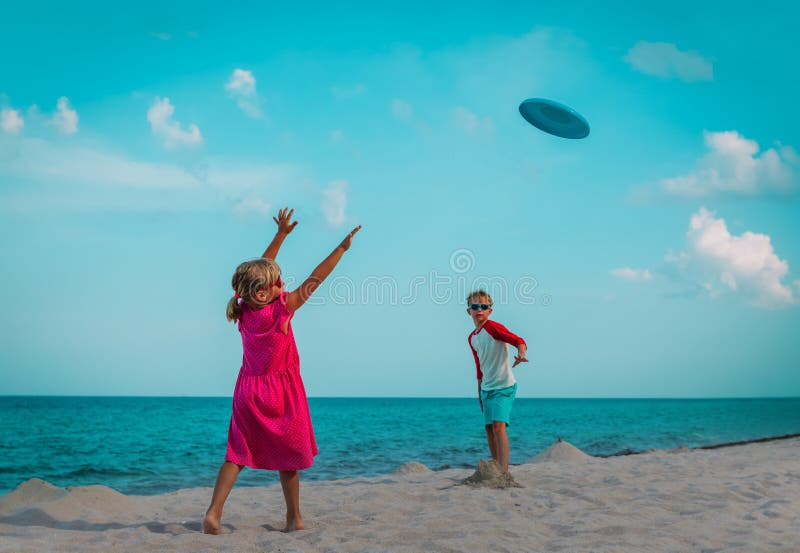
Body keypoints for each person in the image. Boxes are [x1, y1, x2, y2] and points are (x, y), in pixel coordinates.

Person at [203, 207, 361, 534]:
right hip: (281, 394)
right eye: (277, 284)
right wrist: (341, 249)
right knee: (289, 458)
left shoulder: (245, 308)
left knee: (236, 454)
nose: (282, 285)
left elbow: (257, 273)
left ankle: (214, 513)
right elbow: (316, 278)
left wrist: (281, 235)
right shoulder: (281, 310)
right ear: (264, 292)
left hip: (247, 392)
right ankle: (294, 518)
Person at [466, 290, 528, 474]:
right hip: (486, 389)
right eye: (475, 306)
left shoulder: (493, 328)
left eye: (484, 306)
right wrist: (479, 393)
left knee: (499, 427)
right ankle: (495, 467)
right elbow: (479, 368)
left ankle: (503, 472)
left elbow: (517, 340)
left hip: (504, 387)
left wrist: (521, 353)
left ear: (490, 310)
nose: (479, 309)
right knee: (488, 428)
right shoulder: (472, 338)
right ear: (468, 310)